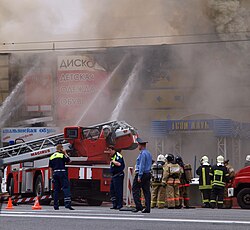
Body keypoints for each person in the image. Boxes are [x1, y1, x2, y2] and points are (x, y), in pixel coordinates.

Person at [49, 144, 74, 210]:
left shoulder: (52, 156)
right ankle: (67, 204)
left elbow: (50, 168)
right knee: (65, 188)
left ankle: (56, 205)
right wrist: (65, 153)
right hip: (62, 172)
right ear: (61, 149)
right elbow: (69, 161)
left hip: (55, 173)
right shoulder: (62, 155)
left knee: (56, 190)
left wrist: (51, 177)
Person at [132, 138, 152, 213]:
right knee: (146, 191)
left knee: (135, 190)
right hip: (147, 173)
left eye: (138, 145)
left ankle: (138, 206)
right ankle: (148, 208)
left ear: (141, 145)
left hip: (142, 174)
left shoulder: (142, 154)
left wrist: (139, 176)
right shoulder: (148, 153)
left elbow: (142, 165)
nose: (138, 146)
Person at [108, 145, 125, 210]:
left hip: (118, 175)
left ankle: (119, 205)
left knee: (118, 191)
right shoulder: (113, 156)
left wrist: (113, 161)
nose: (109, 152)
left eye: (110, 151)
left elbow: (119, 164)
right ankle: (114, 204)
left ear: (113, 150)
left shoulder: (118, 156)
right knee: (112, 190)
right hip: (114, 175)